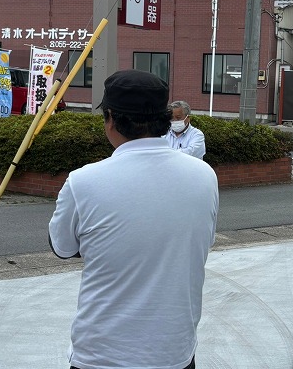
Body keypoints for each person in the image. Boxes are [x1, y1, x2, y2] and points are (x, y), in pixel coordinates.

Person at [48, 70, 219, 369]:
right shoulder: (204, 176)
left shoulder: (83, 182)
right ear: (166, 118)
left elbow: (62, 247)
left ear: (111, 118)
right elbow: (203, 239)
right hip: (174, 352)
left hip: (101, 354)